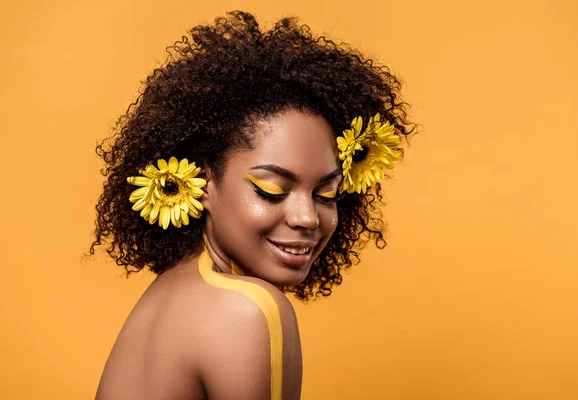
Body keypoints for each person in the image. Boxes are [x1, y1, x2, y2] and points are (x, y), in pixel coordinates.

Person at [90, 10, 415, 400]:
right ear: (202, 182)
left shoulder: (171, 291)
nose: (307, 218)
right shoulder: (249, 311)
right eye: (272, 190)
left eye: (326, 194)